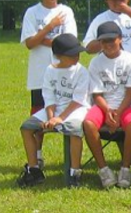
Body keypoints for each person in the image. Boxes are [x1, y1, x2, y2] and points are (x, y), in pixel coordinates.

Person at [20, 0, 78, 169]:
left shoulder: (66, 12)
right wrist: (50, 27)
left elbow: (69, 43)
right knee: (38, 115)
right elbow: (29, 43)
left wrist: (41, 38)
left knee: (67, 112)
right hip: (39, 73)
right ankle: (37, 155)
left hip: (63, 73)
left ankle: (72, 160)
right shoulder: (32, 12)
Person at [17, 34, 89, 188]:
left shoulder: (81, 71)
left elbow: (78, 100)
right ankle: (34, 169)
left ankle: (75, 172)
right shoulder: (50, 70)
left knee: (74, 130)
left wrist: (60, 118)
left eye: (77, 53)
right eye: (71, 55)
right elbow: (49, 96)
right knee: (27, 127)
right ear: (58, 56)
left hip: (75, 109)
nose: (76, 57)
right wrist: (50, 117)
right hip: (54, 110)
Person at [82, 22, 131, 188]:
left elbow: (130, 93)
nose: (108, 44)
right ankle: (104, 169)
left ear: (120, 39)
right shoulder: (95, 62)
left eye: (112, 40)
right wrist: (108, 110)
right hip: (104, 106)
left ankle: (125, 168)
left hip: (126, 105)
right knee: (88, 123)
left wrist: (118, 112)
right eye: (104, 41)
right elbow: (97, 94)